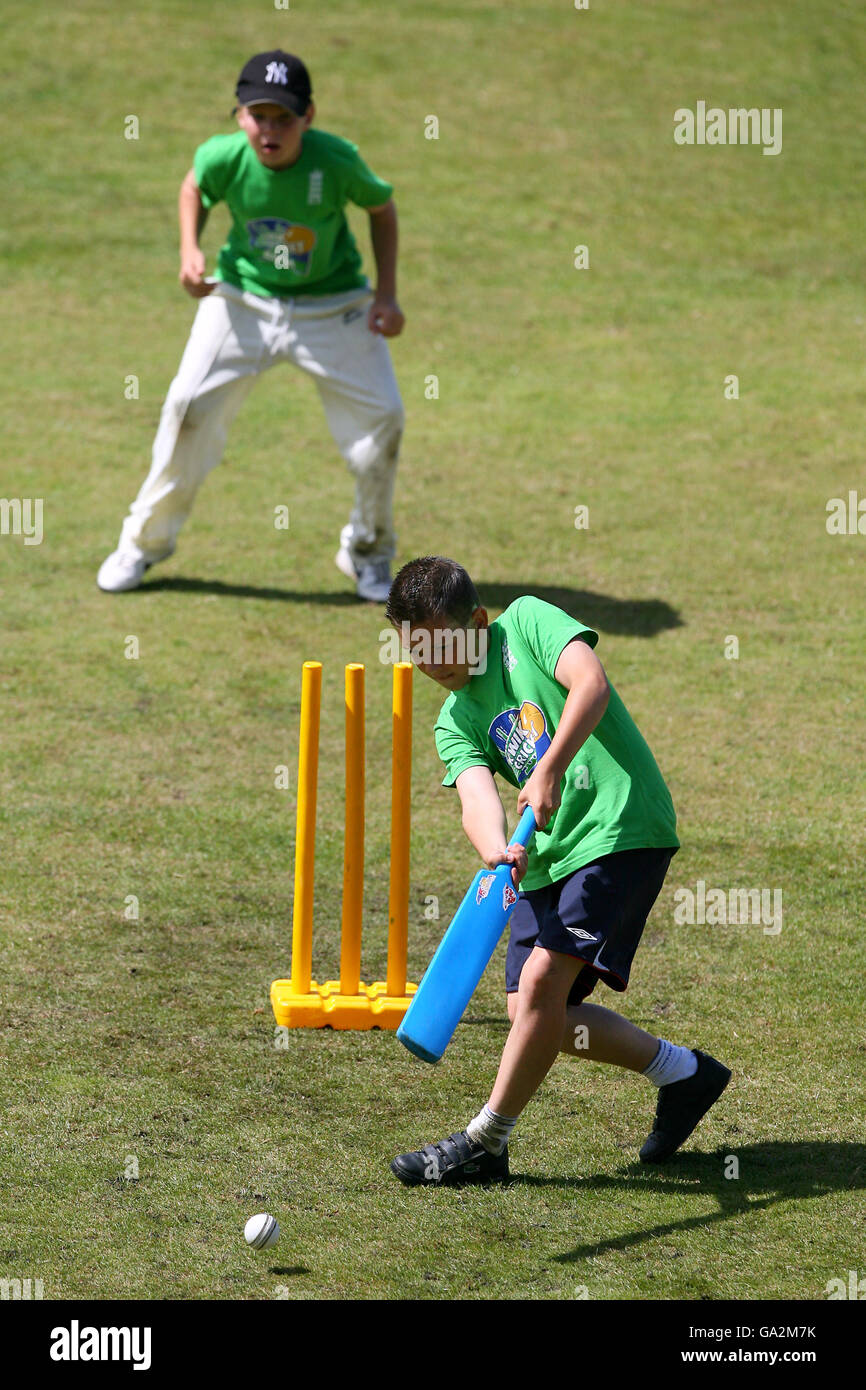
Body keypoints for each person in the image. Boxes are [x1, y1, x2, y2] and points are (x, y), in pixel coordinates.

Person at [384, 556, 731, 1185]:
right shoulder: (454, 719)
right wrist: (496, 848)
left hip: (618, 825)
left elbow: (590, 684)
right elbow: (475, 798)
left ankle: (485, 1141)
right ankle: (683, 1074)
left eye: (440, 645)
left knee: (543, 980)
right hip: (544, 859)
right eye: (416, 652)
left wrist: (548, 768)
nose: (431, 664)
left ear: (478, 622)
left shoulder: (526, 623)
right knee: (531, 1012)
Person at [98, 50, 404, 602]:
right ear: (240, 116)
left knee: (383, 419)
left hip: (332, 304)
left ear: (308, 116)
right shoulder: (221, 157)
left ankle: (368, 552)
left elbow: (381, 208)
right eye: (258, 116)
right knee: (185, 407)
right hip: (242, 300)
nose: (270, 130)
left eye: (283, 118)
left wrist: (386, 294)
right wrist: (190, 249)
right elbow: (194, 187)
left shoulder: (338, 161)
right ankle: (143, 544)